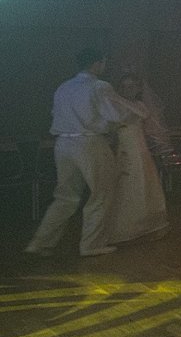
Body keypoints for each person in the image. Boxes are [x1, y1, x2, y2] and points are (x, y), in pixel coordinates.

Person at [27, 48, 139, 258]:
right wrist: (134, 114)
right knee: (102, 193)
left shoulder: (63, 87)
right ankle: (91, 245)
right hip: (89, 143)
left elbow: (55, 113)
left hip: (62, 144)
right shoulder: (99, 86)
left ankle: (40, 242)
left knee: (65, 197)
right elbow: (116, 114)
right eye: (103, 61)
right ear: (97, 63)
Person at [106, 71, 169, 244]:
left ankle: (148, 225)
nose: (128, 90)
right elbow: (112, 126)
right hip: (125, 148)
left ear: (138, 88)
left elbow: (145, 119)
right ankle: (126, 229)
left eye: (132, 86)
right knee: (127, 185)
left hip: (140, 148)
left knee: (145, 184)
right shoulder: (115, 104)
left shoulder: (140, 105)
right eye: (124, 86)